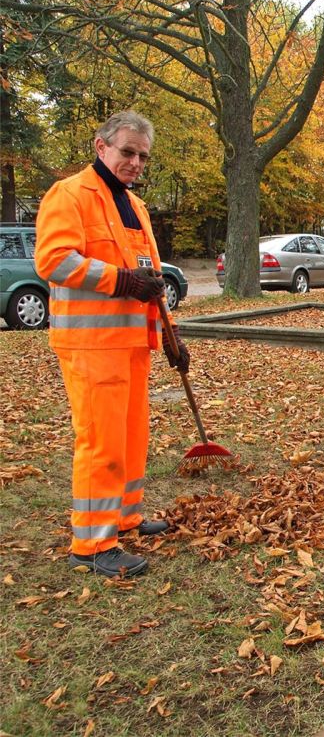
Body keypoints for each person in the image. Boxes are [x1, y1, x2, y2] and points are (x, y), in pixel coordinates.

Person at [35, 110, 190, 579]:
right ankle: (93, 541)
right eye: (127, 152)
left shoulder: (135, 207)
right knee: (101, 440)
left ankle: (125, 516)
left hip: (131, 345)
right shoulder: (70, 195)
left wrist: (169, 333)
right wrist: (121, 281)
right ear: (101, 147)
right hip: (92, 344)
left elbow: (151, 278)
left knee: (130, 435)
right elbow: (54, 260)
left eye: (143, 156)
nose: (136, 162)